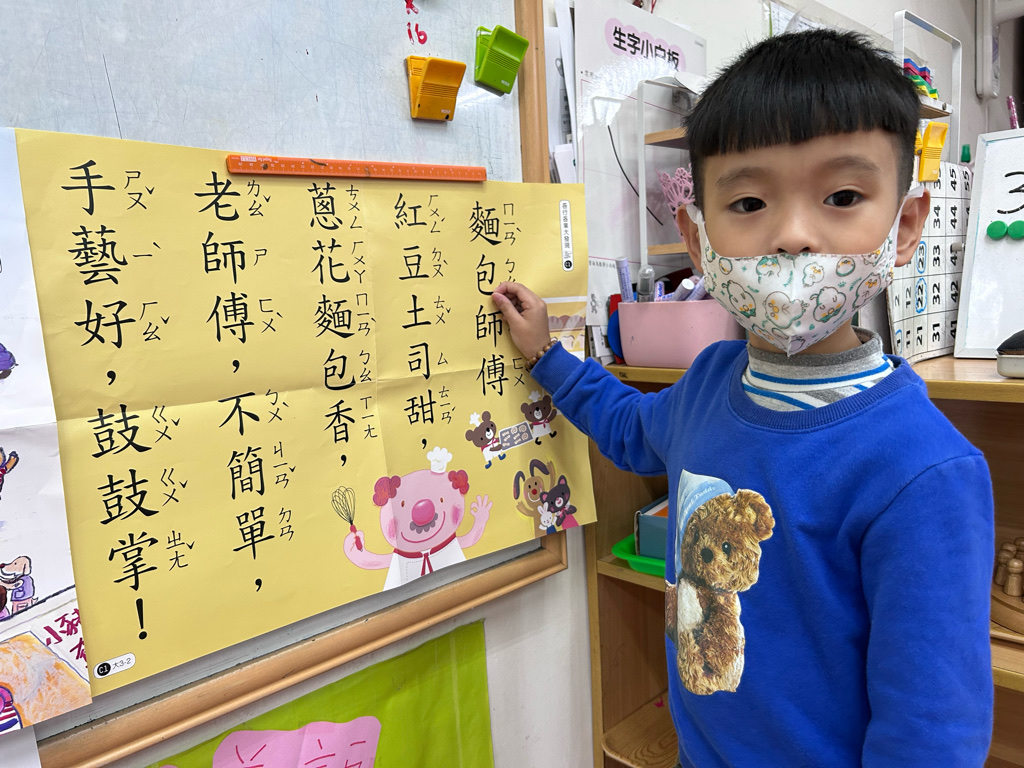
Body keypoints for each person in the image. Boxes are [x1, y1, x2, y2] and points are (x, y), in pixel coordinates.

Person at [493, 29, 994, 767]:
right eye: (751, 201)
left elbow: (931, 734)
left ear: (906, 227)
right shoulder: (708, 382)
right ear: (699, 243)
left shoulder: (925, 472)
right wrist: (546, 355)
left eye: (842, 196)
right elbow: (629, 428)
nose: (792, 236)